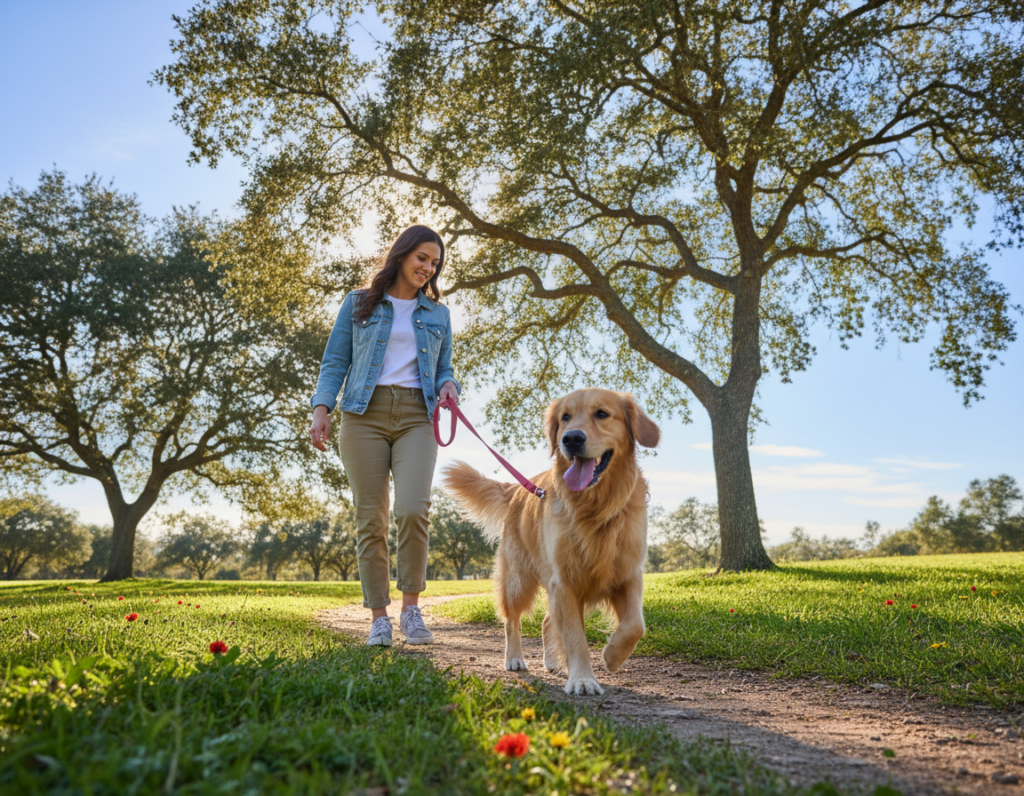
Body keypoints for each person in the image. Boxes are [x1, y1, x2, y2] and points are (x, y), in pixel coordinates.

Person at [309, 225, 460, 646]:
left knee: (413, 509)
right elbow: (334, 361)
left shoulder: (438, 314)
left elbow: (444, 367)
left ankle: (411, 611)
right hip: (363, 415)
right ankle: (379, 617)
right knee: (371, 519)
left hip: (417, 416)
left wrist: (449, 385)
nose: (428, 268)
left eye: (435, 263)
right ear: (402, 254)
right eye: (422, 258)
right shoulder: (359, 303)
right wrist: (321, 409)